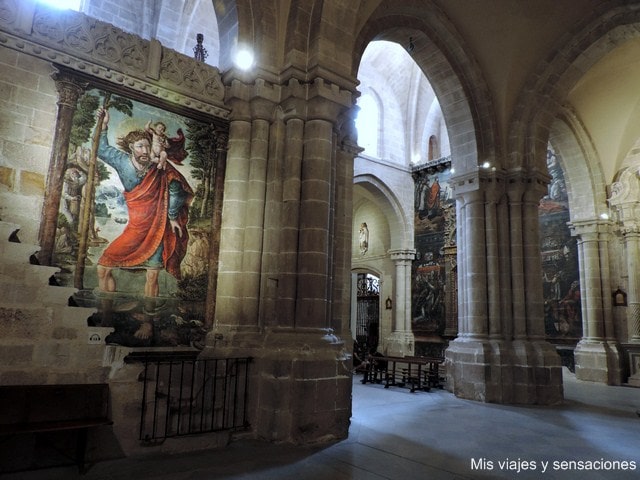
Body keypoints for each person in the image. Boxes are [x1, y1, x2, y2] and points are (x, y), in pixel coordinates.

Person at [94, 107, 193, 303]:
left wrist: (172, 217)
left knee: (152, 275)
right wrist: (104, 126)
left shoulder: (158, 166)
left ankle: (148, 322)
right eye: (140, 146)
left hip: (156, 226)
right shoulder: (121, 161)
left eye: (147, 146)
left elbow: (176, 188)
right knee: (103, 267)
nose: (145, 151)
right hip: (135, 227)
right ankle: (106, 313)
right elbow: (102, 149)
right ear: (131, 147)